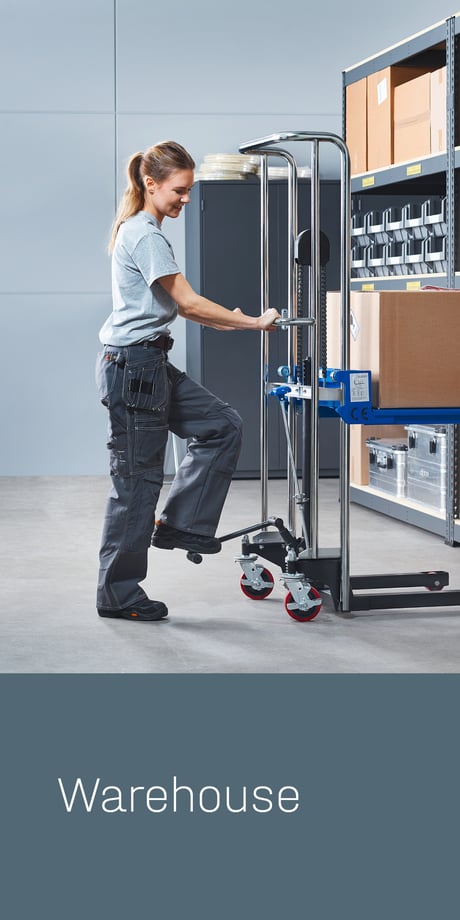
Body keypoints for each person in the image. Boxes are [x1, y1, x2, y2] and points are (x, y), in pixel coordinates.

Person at [96, 140, 280, 622]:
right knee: (136, 484)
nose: (185, 199)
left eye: (189, 191)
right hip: (134, 369)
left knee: (221, 424)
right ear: (150, 184)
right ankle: (118, 594)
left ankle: (182, 526)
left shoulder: (145, 230)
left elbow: (178, 308)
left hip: (149, 366)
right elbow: (189, 301)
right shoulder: (145, 234)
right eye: (179, 191)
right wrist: (254, 323)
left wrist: (231, 321)